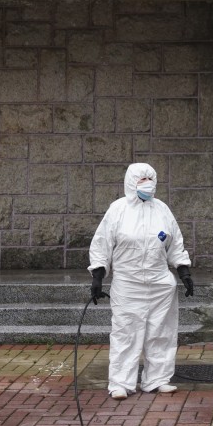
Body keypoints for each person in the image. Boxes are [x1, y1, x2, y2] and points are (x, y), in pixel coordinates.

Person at [88, 162, 194, 400]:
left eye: (150, 178)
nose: (147, 184)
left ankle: (157, 379)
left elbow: (175, 243)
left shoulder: (162, 210)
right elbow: (102, 244)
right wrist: (98, 276)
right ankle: (120, 383)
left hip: (160, 283)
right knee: (126, 333)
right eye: (141, 179)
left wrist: (184, 271)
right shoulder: (118, 210)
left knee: (161, 332)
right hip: (128, 283)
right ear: (130, 182)